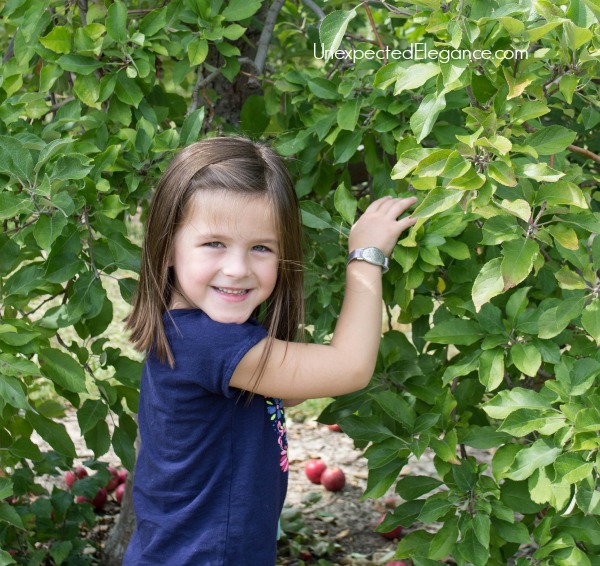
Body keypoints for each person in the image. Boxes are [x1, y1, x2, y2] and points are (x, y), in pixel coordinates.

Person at [122, 136, 417, 565]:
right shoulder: (210, 344)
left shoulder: (193, 333)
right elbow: (350, 368)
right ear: (167, 247)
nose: (238, 268)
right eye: (214, 244)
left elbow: (280, 390)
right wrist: (365, 258)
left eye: (261, 247)